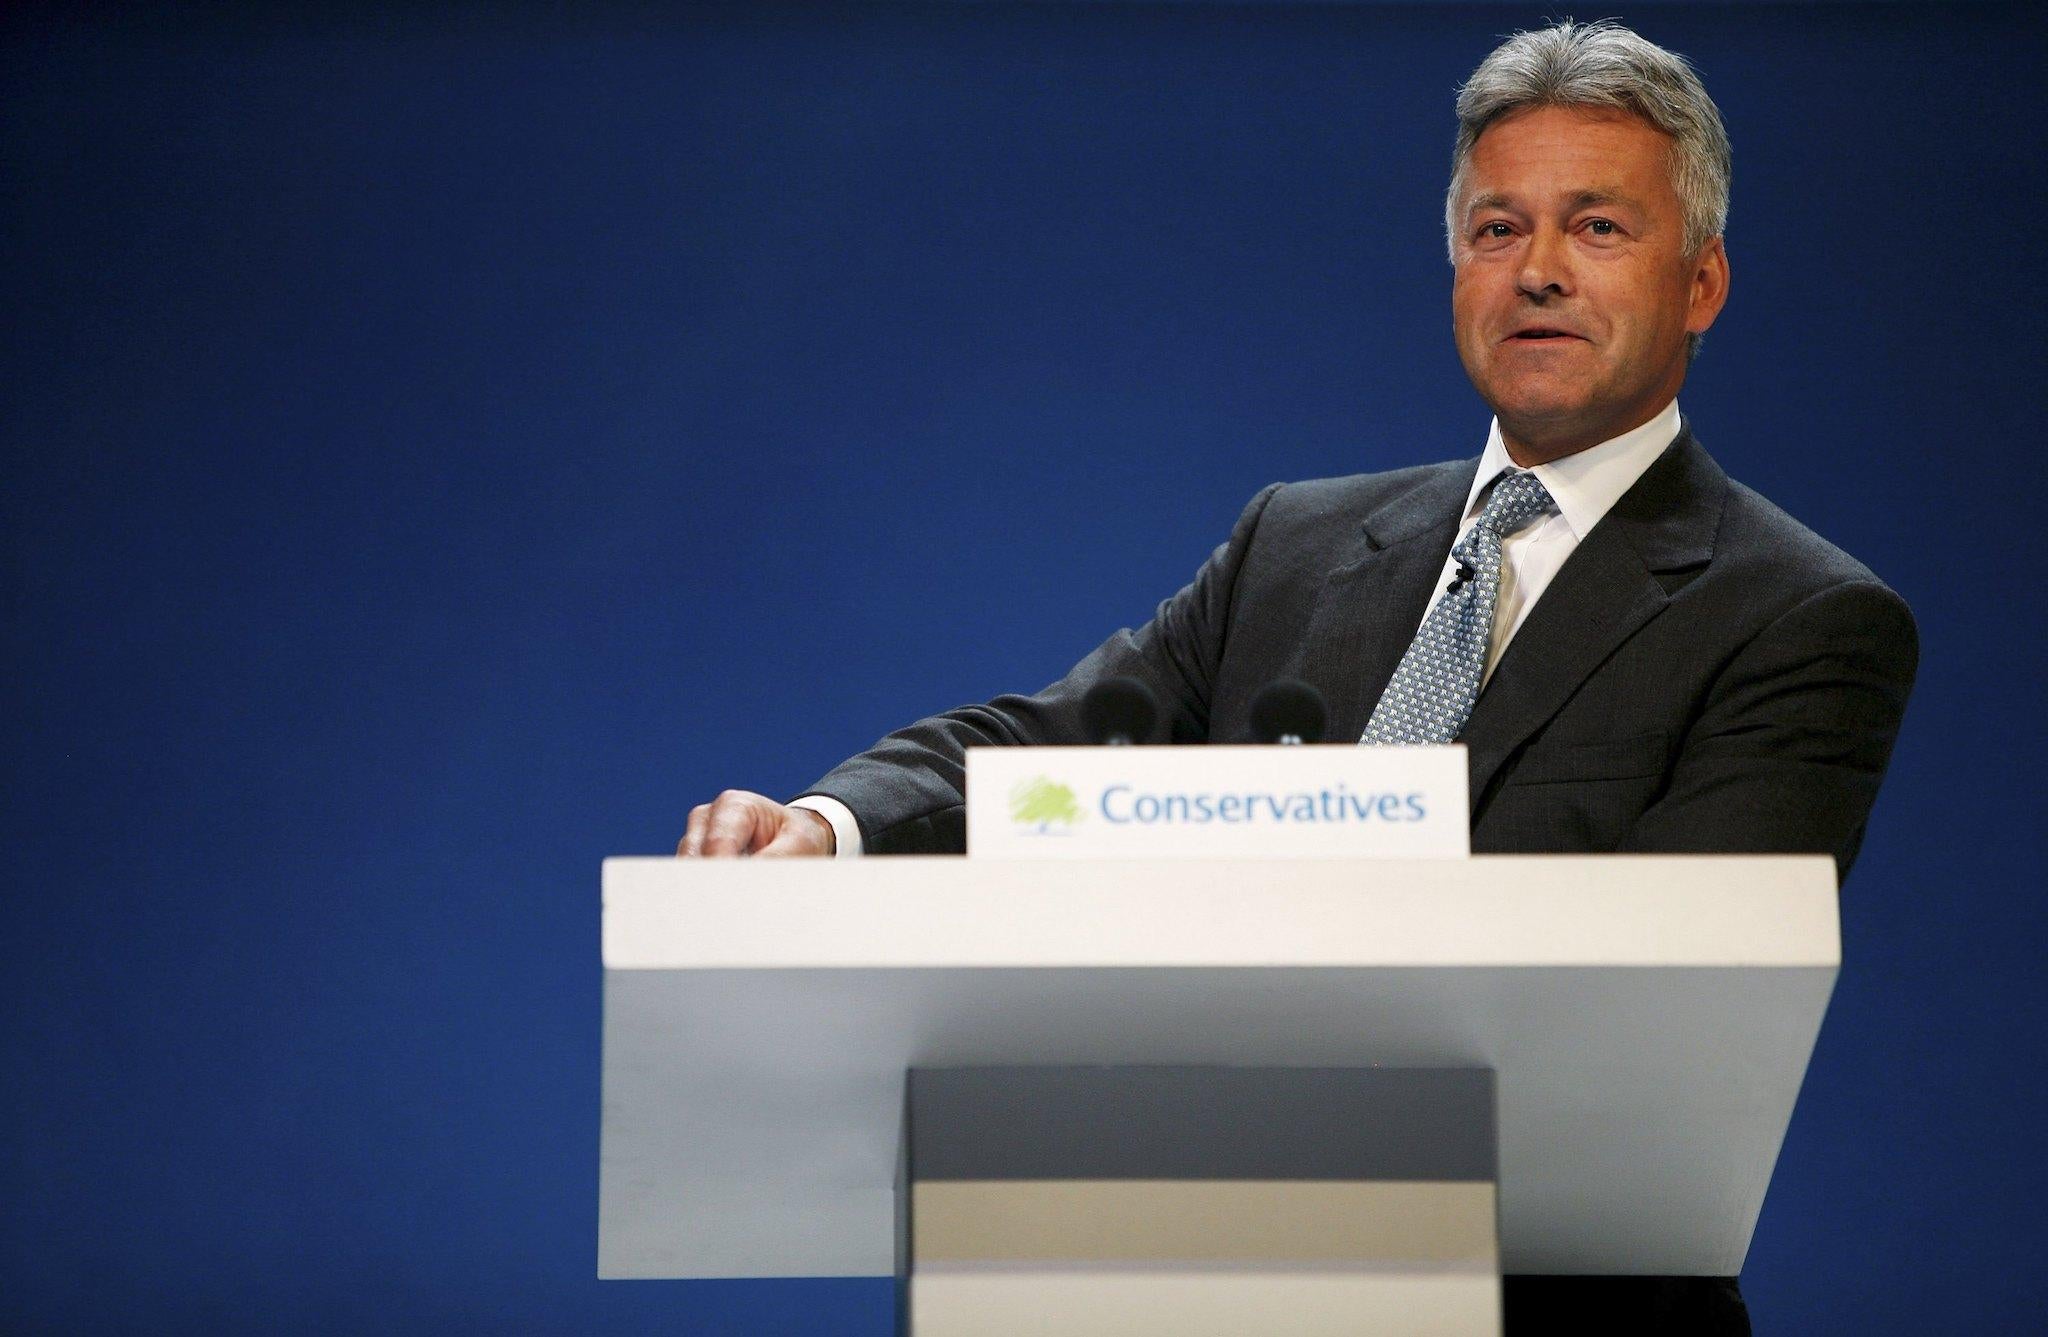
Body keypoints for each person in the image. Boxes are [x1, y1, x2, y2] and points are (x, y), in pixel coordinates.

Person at [679, 19, 1917, 1334]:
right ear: (1454, 267)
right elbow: (1056, 751)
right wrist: (831, 824)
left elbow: (1655, 1032)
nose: (1540, 270)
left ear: (1704, 280)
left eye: (1599, 227)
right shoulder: (1298, 541)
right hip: (1177, 1281)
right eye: (1499, 229)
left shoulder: (1802, 618)